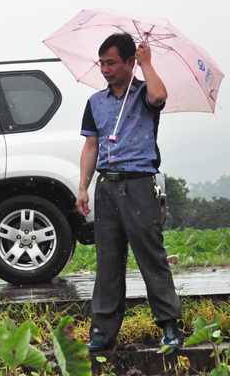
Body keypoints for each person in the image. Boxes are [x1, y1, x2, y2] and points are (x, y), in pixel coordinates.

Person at [76, 33, 182, 352]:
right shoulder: (95, 102)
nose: (105, 69)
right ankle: (103, 333)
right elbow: (91, 144)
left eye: (111, 63)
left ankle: (169, 327)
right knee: (108, 260)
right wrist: (83, 187)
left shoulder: (143, 95)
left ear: (128, 62)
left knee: (151, 256)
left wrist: (147, 63)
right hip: (106, 186)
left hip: (138, 183)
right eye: (102, 63)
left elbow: (160, 95)